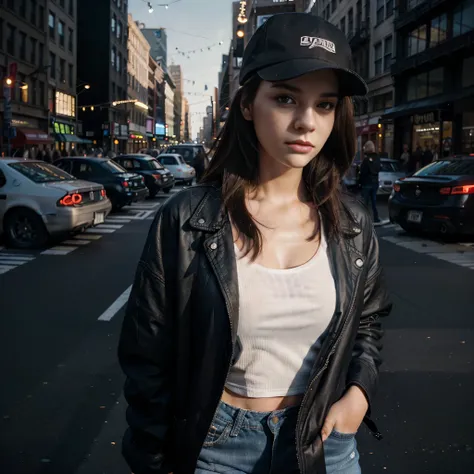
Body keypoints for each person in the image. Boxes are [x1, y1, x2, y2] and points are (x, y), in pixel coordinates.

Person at [118, 13, 392, 474]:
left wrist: (359, 393)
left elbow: (368, 321)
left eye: (325, 105)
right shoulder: (187, 219)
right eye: (285, 98)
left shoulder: (352, 222)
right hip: (217, 445)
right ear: (246, 104)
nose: (306, 122)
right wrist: (155, 459)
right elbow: (148, 358)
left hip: (325, 438)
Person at [358, 141, 381, 223]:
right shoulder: (377, 158)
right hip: (375, 182)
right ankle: (376, 217)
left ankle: (365, 219)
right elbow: (379, 169)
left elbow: (363, 172)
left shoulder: (366, 159)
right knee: (374, 202)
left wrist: (360, 182)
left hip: (367, 182)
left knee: (365, 203)